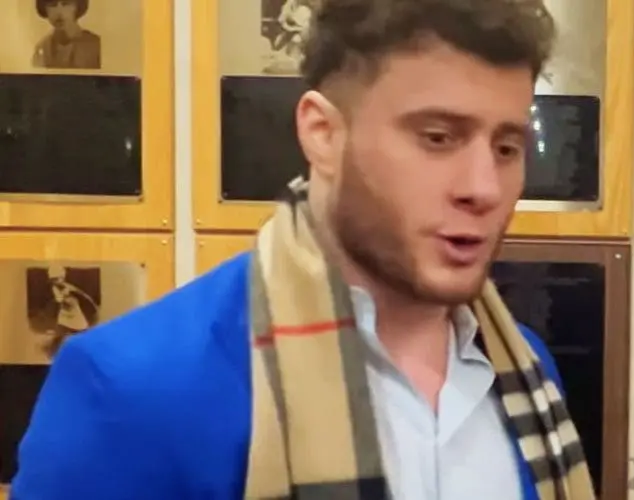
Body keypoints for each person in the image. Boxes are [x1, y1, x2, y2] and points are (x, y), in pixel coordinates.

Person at [11, 1, 595, 499]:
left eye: (506, 147)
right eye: (438, 138)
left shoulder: (527, 369)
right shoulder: (133, 389)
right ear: (323, 134)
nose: (484, 188)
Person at [32, 0, 101, 70]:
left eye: (66, 4)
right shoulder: (42, 48)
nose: (59, 12)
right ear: (45, 9)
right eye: (52, 5)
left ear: (77, 7)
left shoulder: (96, 46)